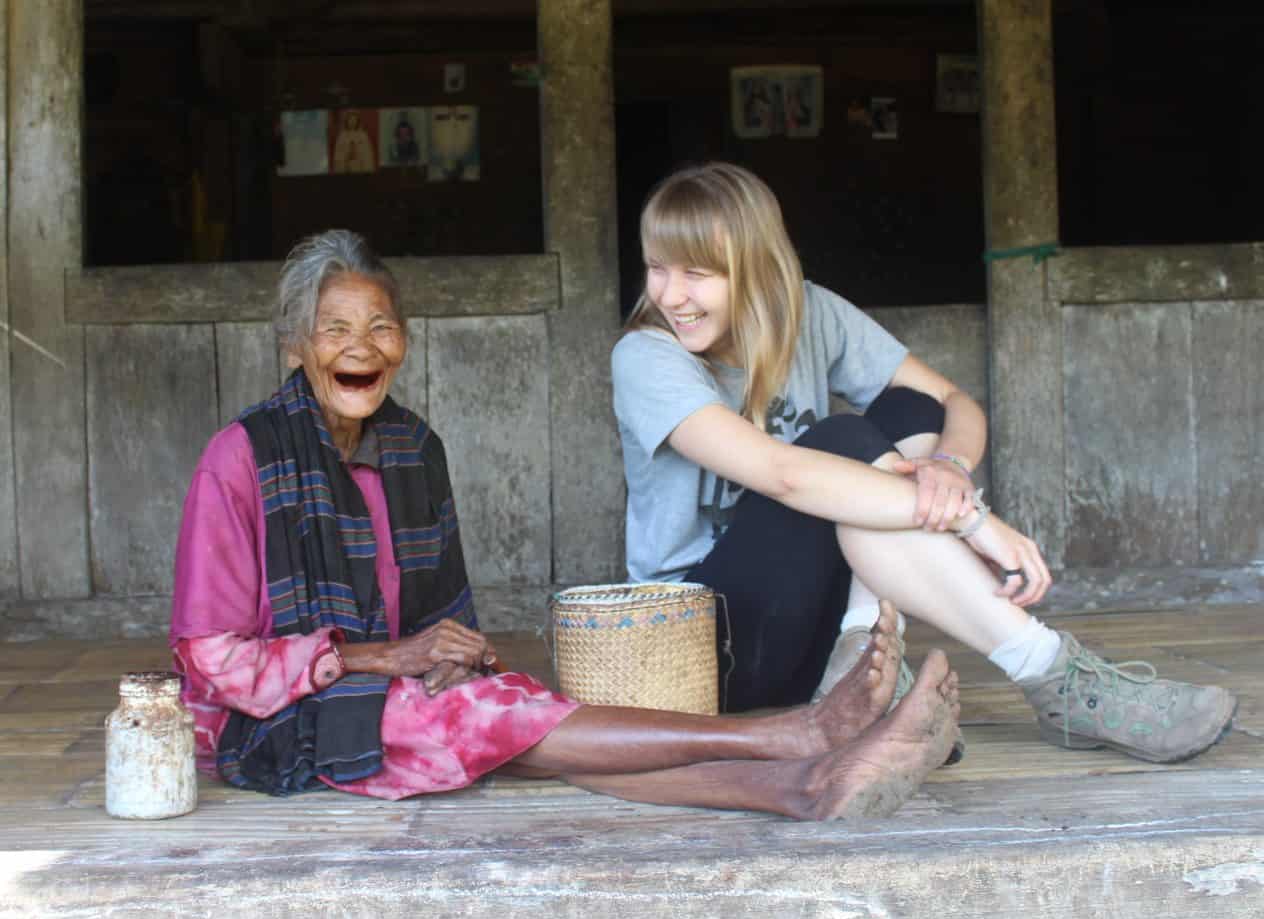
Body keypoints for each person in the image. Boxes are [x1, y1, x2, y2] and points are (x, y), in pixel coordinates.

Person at [168, 229, 962, 820]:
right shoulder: (240, 457)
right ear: (293, 346)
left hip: (397, 685)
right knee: (479, 718)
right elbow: (210, 661)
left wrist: (454, 654)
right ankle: (789, 741)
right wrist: (388, 658)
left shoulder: (412, 447)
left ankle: (805, 786)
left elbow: (442, 617)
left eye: (379, 328)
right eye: (334, 330)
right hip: (271, 715)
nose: (360, 348)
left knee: (502, 709)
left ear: (403, 344)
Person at [611, 162, 1237, 764]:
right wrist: (973, 522)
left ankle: (859, 660)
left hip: (808, 629)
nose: (671, 295)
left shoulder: (808, 312)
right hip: (705, 647)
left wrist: (953, 472)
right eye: (657, 269)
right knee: (841, 440)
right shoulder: (647, 357)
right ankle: (1050, 671)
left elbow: (950, 401)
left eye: (697, 273)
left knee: (908, 410)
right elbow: (785, 475)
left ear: (756, 268)